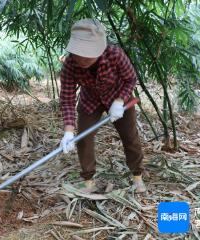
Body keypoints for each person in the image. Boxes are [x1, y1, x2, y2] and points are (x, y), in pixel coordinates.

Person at [59, 18, 146, 193]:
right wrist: (68, 130)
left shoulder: (115, 54)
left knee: (130, 137)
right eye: (78, 53)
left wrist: (120, 100)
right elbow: (67, 98)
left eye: (87, 52)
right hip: (90, 100)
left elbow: (131, 79)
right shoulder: (70, 64)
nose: (82, 58)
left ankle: (137, 176)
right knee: (83, 138)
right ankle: (88, 182)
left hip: (119, 97)